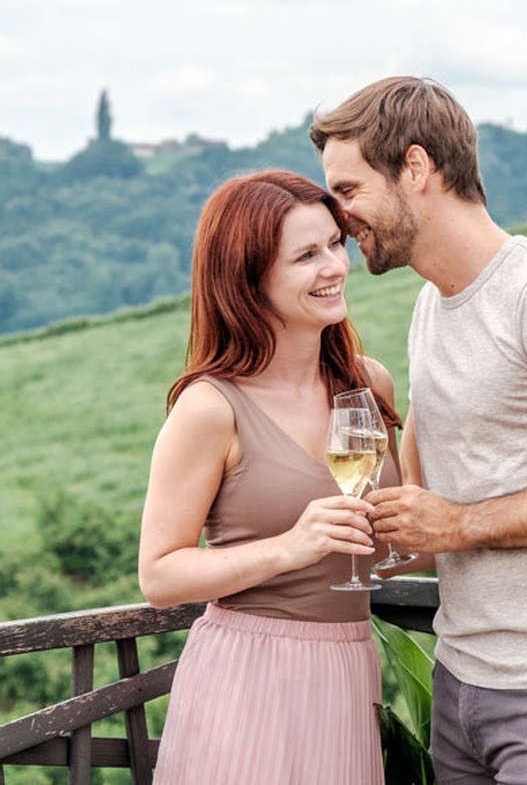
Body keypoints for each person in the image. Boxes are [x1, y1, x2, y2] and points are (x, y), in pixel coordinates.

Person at [311, 76, 527, 785]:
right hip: (463, 682)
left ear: (415, 168)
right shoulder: (430, 309)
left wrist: (458, 525)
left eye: (348, 191)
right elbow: (419, 505)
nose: (340, 215)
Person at [138, 170, 404, 784]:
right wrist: (290, 547)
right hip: (247, 678)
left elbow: (395, 545)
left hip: (348, 673)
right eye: (307, 255)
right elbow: (160, 574)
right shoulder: (210, 408)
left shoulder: (369, 385)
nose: (335, 265)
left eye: (335, 243)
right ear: (248, 280)